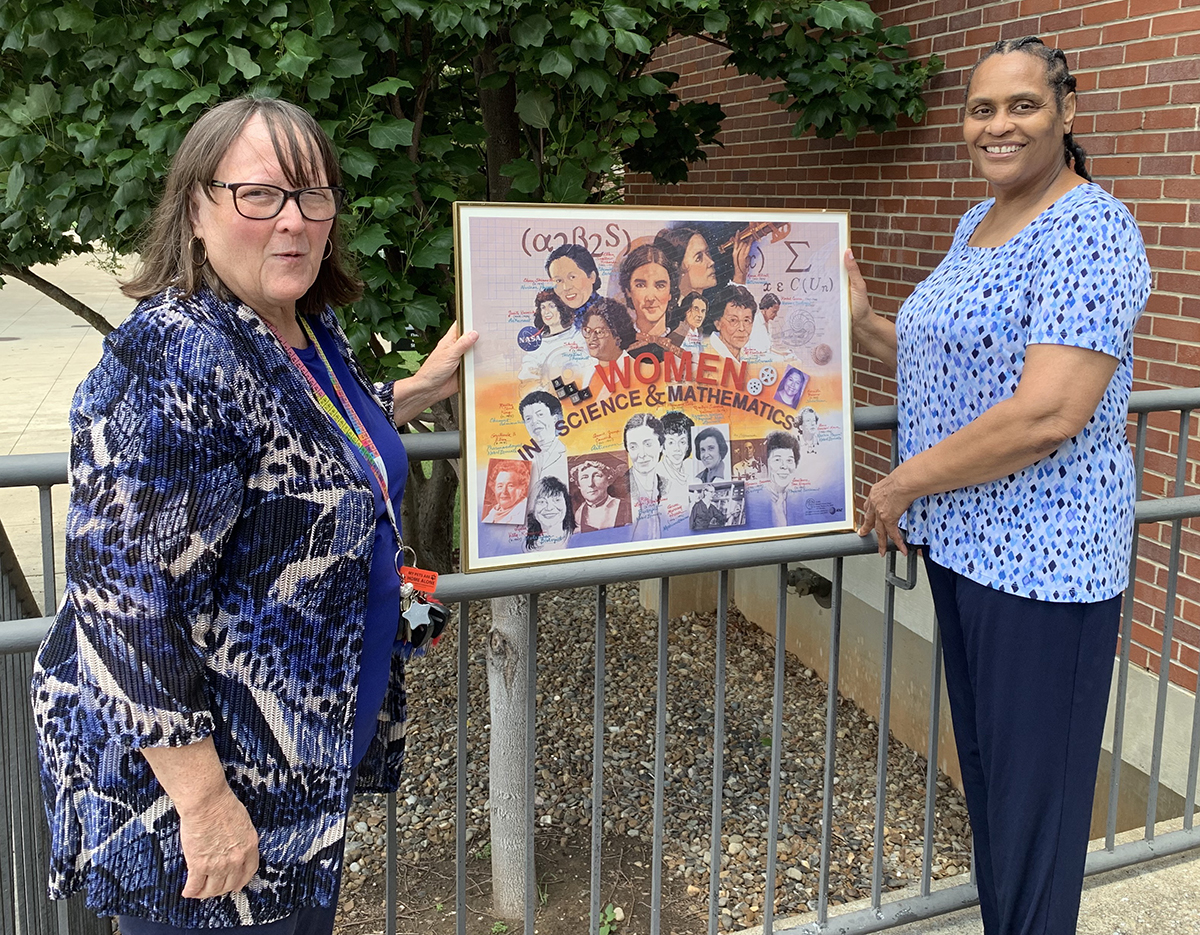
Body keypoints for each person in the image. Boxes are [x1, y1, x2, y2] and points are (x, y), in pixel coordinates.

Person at [28, 97, 478, 931]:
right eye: (259, 195)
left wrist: (410, 394)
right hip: (213, 792)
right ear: (196, 207)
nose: (296, 222)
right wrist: (203, 804)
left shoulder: (302, 327)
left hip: (296, 766)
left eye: (314, 196)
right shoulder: (175, 355)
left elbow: (293, 442)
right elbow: (120, 599)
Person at [849, 38, 1151, 935]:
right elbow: (956, 368)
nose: (999, 124)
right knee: (989, 787)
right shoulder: (975, 223)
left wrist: (900, 481)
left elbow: (1048, 409)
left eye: (1022, 105)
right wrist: (866, 324)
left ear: (1065, 112)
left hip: (1046, 567)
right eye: (983, 109)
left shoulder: (1091, 225)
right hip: (968, 549)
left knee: (1033, 816)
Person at [517, 288, 589, 391]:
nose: (546, 312)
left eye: (551, 306)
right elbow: (528, 377)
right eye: (543, 307)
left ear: (561, 309)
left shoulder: (579, 337)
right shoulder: (537, 345)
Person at [618, 243, 679, 361]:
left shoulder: (684, 342)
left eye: (660, 285)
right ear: (628, 291)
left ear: (671, 292)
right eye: (640, 285)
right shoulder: (619, 344)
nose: (650, 298)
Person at [622, 412, 668, 540]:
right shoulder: (617, 491)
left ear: (661, 446)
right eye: (633, 446)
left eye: (648, 444)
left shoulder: (668, 485)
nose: (641, 454)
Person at [746, 431, 802, 527]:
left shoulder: (798, 500)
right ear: (766, 463)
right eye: (777, 459)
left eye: (789, 460)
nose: (784, 466)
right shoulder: (753, 500)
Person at [518, 390, 568, 497]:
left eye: (540, 414)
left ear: (554, 418)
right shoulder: (521, 458)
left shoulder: (568, 453)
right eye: (528, 418)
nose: (534, 422)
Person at [545, 243, 602, 328]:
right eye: (558, 280)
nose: (566, 287)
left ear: (592, 277)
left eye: (572, 277)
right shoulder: (555, 319)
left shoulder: (608, 314)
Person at [657, 410, 695, 534]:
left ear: (689, 445)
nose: (677, 449)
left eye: (682, 442)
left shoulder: (692, 468)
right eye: (671, 442)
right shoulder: (654, 475)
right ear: (662, 446)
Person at [571, 458, 631, 532]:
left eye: (597, 476)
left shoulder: (627, 508)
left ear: (608, 480)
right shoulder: (578, 513)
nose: (590, 484)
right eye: (584, 477)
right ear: (578, 485)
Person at [703, 285, 758, 361]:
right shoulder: (702, 353)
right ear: (717, 323)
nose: (741, 328)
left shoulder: (750, 358)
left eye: (746, 320)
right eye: (733, 320)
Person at [581, 297, 637, 368]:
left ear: (618, 339)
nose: (591, 338)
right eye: (588, 331)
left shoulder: (633, 368)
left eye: (599, 332)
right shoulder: (587, 373)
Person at [524, 476, 575, 551]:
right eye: (541, 502)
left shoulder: (578, 538)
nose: (549, 508)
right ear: (533, 508)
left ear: (566, 504)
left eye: (557, 500)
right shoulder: (525, 545)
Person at [665, 291, 707, 356]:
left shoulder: (700, 336)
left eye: (703, 311)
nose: (700, 315)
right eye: (696, 309)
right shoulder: (678, 334)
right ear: (687, 311)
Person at [744, 292, 780, 356]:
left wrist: (782, 353)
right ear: (765, 309)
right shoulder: (755, 323)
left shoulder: (768, 325)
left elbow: (768, 349)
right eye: (774, 312)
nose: (776, 315)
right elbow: (757, 351)